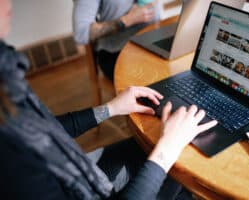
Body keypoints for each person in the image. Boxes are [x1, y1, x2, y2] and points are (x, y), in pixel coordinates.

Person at [0, 0, 217, 199]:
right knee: (176, 162)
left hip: (76, 168)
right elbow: (82, 33)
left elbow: (49, 128)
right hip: (80, 184)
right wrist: (165, 151)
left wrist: (110, 108)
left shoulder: (7, 71)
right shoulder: (12, 162)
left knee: (164, 156)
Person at [73, 0, 159, 81]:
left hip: (155, 41)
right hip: (118, 54)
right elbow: (82, 33)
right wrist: (129, 19)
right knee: (158, 81)